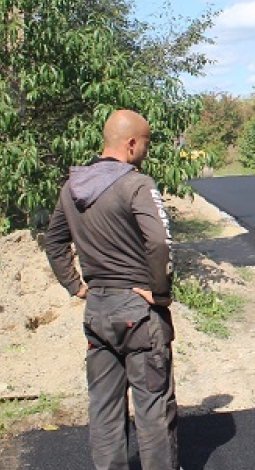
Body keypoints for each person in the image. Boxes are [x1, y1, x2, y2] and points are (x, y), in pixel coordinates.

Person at [44, 109, 180, 470]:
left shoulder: (73, 186)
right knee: (152, 408)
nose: (146, 150)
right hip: (137, 311)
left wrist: (76, 287)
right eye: (146, 143)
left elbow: (54, 242)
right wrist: (161, 293)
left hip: (98, 311)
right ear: (131, 143)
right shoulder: (136, 184)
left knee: (103, 407)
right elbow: (160, 244)